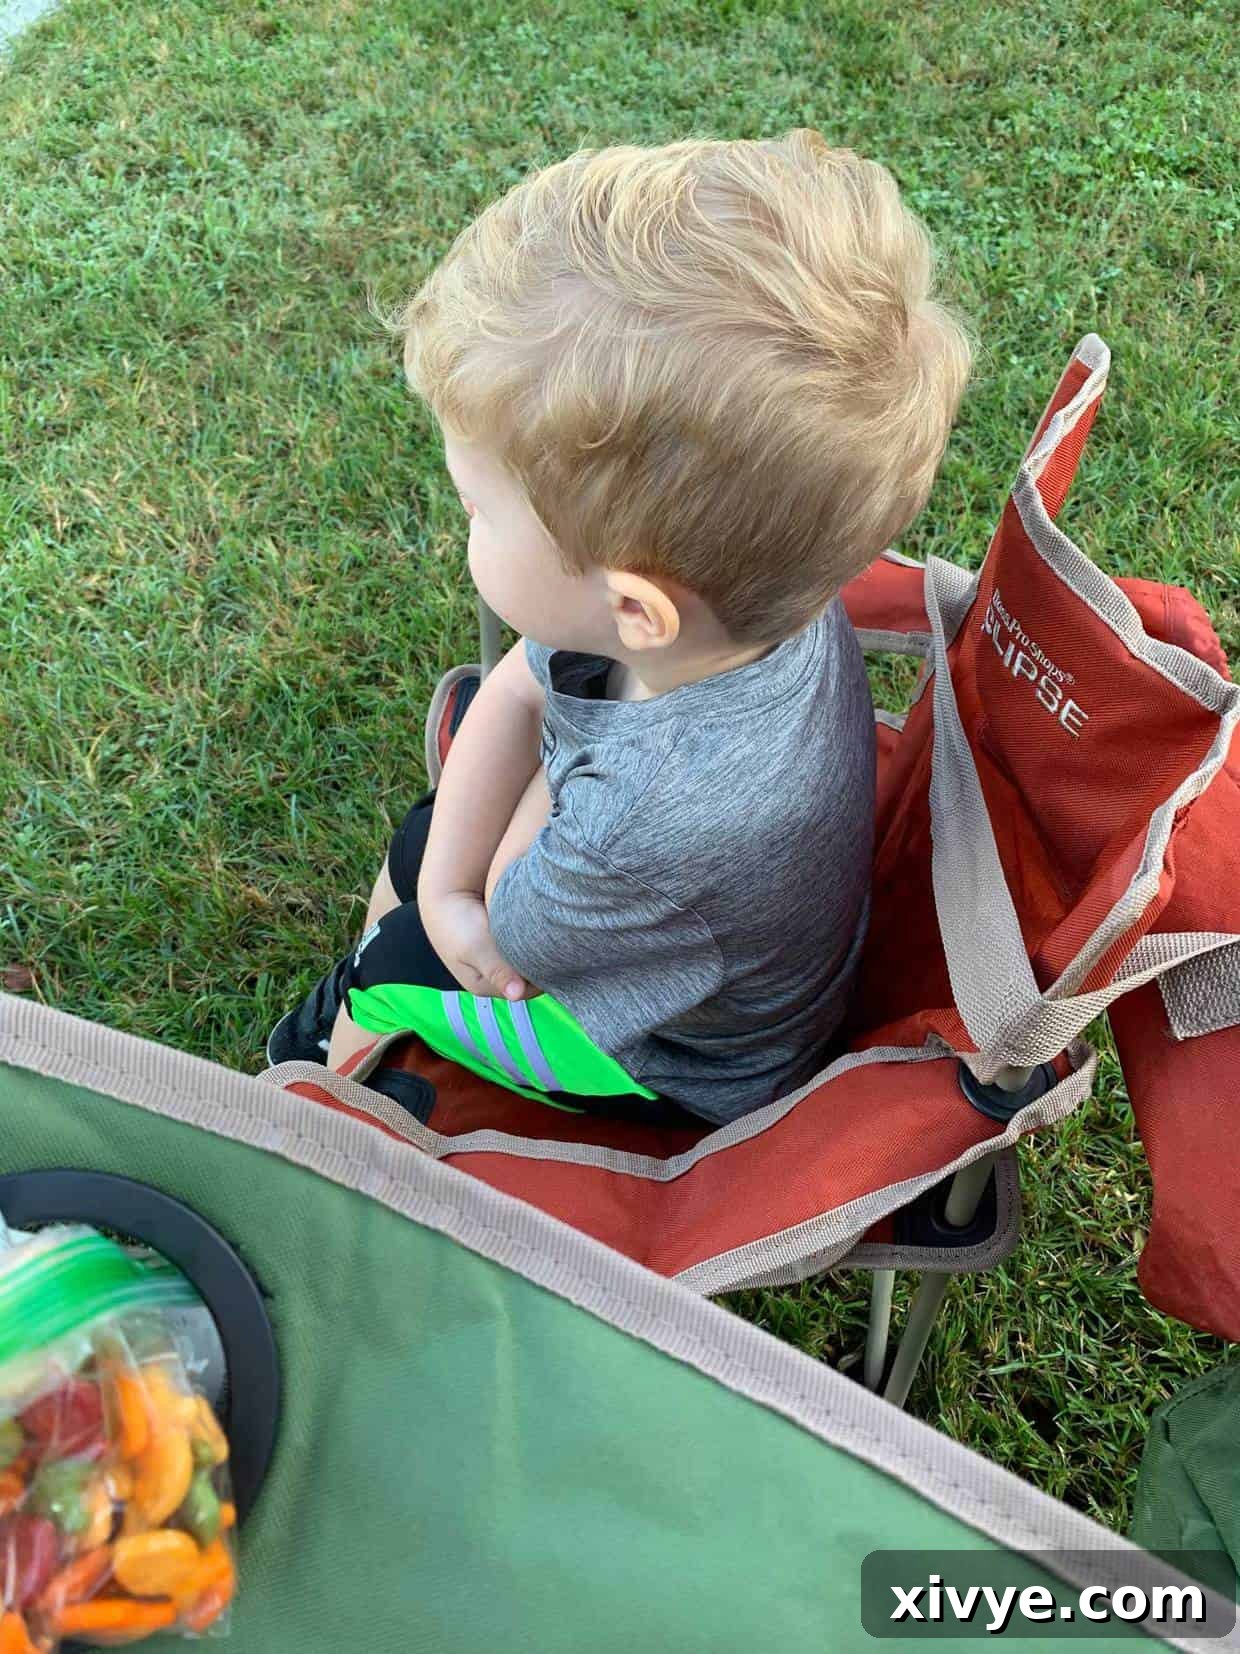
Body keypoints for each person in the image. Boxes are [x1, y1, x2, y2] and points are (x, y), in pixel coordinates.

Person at [266, 130, 972, 1127]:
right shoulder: (730, 609)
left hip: (672, 1061)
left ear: (633, 607)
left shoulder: (649, 829)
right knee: (432, 852)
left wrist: (448, 908)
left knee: (391, 964)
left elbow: (502, 942)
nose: (460, 517)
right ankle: (391, 947)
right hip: (664, 922)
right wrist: (451, 884)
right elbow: (520, 682)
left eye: (479, 507)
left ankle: (310, 1096)